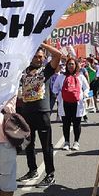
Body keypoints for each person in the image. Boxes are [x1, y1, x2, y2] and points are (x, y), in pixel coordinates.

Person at [16, 43, 62, 188]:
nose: (38, 59)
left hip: (42, 112)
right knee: (29, 144)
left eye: (40, 57)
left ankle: (50, 174)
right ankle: (32, 170)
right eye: (35, 56)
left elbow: (58, 55)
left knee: (46, 145)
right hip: (27, 112)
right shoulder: (23, 71)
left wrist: (40, 43)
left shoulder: (46, 70)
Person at [52, 58, 89, 151]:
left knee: (77, 123)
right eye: (69, 64)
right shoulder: (61, 77)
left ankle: (76, 142)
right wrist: (59, 95)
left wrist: (84, 95)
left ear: (76, 65)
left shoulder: (80, 76)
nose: (70, 66)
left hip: (77, 103)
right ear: (66, 66)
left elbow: (87, 88)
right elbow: (55, 88)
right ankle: (67, 142)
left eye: (72, 64)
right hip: (65, 103)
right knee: (66, 123)